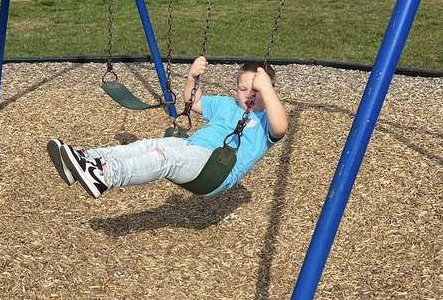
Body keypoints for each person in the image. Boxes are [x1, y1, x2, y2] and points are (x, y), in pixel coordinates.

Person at [47, 58, 288, 200]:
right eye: (243, 89)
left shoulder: (266, 120)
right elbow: (194, 102)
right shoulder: (227, 105)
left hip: (215, 171)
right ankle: (84, 161)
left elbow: (281, 128)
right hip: (191, 148)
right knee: (148, 145)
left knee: (165, 158)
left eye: (256, 90)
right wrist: (193, 77)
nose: (249, 95)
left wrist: (266, 88)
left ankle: (105, 176)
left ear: (269, 91)